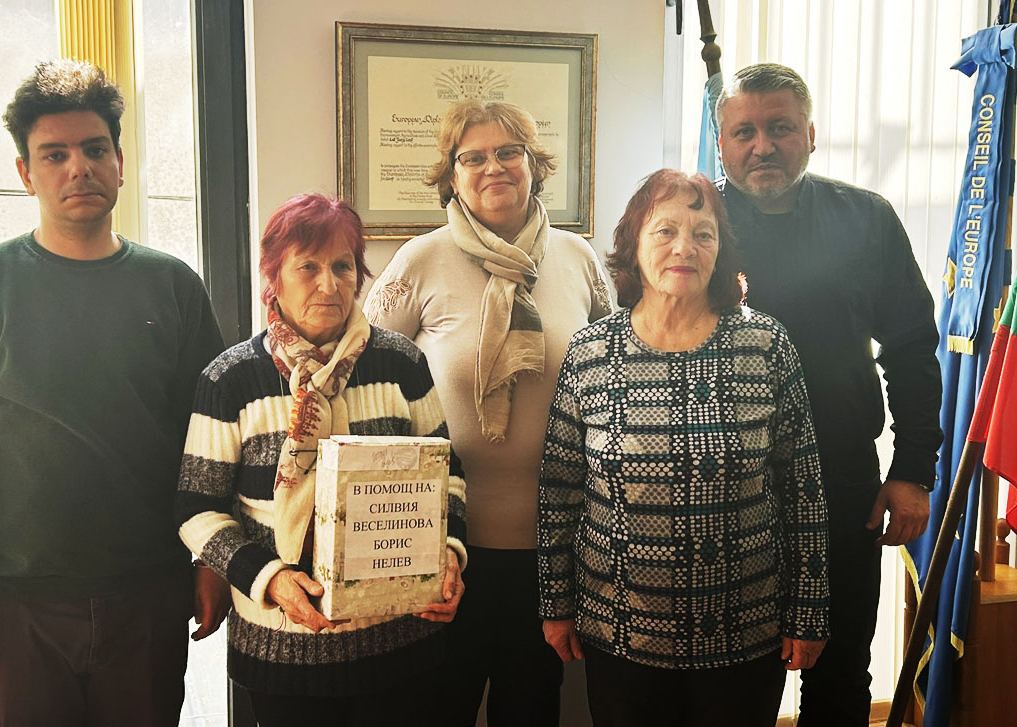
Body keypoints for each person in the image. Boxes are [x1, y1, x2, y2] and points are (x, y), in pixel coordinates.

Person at [0, 60, 230, 726]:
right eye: (55, 154)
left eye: (95, 149)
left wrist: (212, 559)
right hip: (16, 599)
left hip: (149, 588)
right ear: (26, 173)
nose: (79, 167)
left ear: (120, 164)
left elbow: (211, 440)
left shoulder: (172, 286)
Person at [537, 169, 831, 726]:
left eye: (703, 234)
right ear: (633, 245)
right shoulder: (590, 352)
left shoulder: (766, 345)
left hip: (744, 628)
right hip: (618, 628)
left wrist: (809, 610)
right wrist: (555, 604)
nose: (684, 248)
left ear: (721, 251)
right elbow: (559, 491)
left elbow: (803, 491)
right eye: (665, 231)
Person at [175, 193, 467, 727]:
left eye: (343, 266)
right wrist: (269, 578)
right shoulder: (230, 379)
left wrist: (447, 553)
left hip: (401, 644)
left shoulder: (402, 363)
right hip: (282, 649)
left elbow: (448, 477)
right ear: (274, 278)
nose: (328, 285)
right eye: (307, 267)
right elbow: (198, 510)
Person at [364, 99, 612, 726]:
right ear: (451, 175)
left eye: (508, 152)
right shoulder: (419, 259)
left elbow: (618, 372)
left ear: (534, 165)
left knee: (530, 709)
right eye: (472, 157)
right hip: (440, 544)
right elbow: (365, 374)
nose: (492, 167)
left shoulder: (579, 258)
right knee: (438, 708)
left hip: (553, 547)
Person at [716, 63, 944, 726]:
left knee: (841, 670)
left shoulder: (866, 219)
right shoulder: (693, 224)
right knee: (736, 677)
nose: (763, 145)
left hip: (842, 478)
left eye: (781, 128)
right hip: (731, 489)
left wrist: (913, 471)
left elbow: (911, 350)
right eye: (744, 132)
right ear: (722, 143)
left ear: (811, 135)